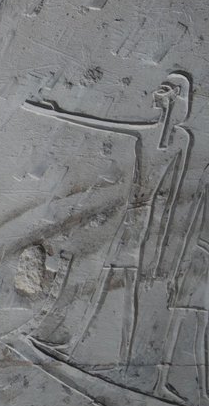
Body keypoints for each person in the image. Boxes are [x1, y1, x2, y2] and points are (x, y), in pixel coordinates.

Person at [23, 73, 192, 365]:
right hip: (131, 219)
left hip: (148, 227)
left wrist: (162, 259)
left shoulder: (181, 140)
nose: (155, 97)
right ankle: (77, 347)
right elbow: (104, 124)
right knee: (108, 281)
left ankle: (121, 359)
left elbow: (174, 196)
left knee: (127, 288)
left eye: (163, 92)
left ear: (176, 97)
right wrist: (56, 113)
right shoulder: (147, 132)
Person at [155, 165, 209, 403]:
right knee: (179, 321)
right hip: (197, 261)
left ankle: (202, 391)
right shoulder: (204, 191)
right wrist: (175, 273)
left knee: (201, 328)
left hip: (203, 264)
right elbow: (188, 230)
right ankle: (161, 382)